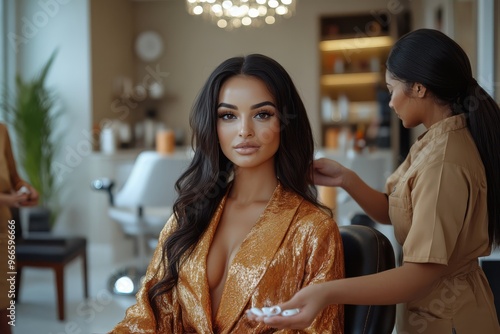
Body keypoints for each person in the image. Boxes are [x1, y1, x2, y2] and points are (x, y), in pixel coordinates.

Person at [249, 29, 500, 333]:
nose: (390, 102)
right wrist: (346, 179)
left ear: (419, 89)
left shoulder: (443, 162)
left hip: (451, 319)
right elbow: (392, 210)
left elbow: (419, 275)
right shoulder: (433, 141)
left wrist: (326, 291)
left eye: (391, 89)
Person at [110, 54, 344, 333]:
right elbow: (145, 317)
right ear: (214, 125)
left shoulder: (314, 229)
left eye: (262, 114)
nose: (244, 131)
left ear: (284, 123)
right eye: (228, 116)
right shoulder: (189, 214)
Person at [0, 123, 39, 334]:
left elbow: (13, 176)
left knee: (5, 308)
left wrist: (25, 189)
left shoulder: (2, 130)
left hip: (2, 230)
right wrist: (8, 199)